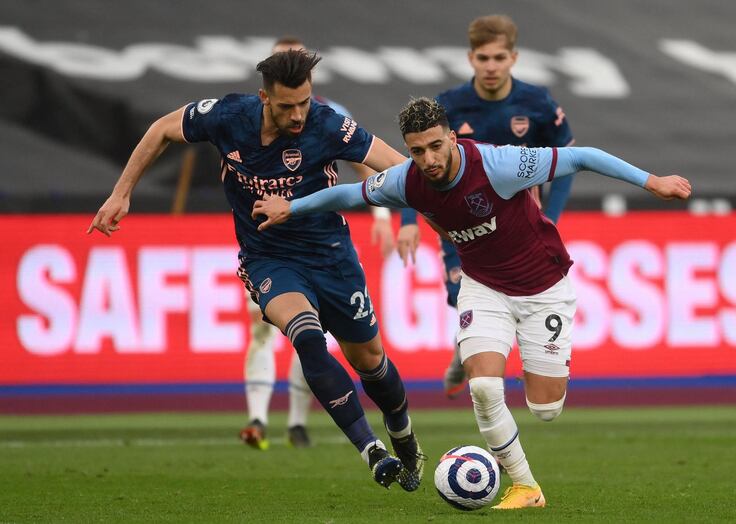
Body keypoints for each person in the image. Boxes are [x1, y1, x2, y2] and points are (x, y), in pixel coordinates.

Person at [251, 97, 691, 509]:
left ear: (453, 138)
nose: (429, 160)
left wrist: (652, 181)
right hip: (484, 286)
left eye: (436, 147)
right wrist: (291, 206)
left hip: (544, 288)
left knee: (545, 409)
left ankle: (487, 351)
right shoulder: (407, 179)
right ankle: (525, 485)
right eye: (417, 150)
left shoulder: (500, 164)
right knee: (483, 388)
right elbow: (348, 195)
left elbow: (582, 156)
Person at [87, 50, 424, 492]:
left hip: (331, 256)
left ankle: (403, 436)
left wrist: (412, 218)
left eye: (304, 102)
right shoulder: (228, 116)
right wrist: (121, 193)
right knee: (305, 334)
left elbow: (400, 168)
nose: (299, 114)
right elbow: (162, 129)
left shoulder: (327, 123)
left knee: (371, 362)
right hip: (269, 258)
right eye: (287, 106)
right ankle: (371, 450)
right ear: (264, 98)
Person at [396, 15, 576, 398]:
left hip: (519, 227)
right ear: (470, 58)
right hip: (461, 227)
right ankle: (469, 351)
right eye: (483, 58)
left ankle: (476, 353)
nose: (490, 67)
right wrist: (408, 220)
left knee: (516, 294)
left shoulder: (538, 104)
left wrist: (551, 220)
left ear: (513, 57)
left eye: (498, 58)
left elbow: (567, 163)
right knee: (460, 294)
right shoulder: (448, 107)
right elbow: (414, 171)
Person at [238, 36, 395, 451]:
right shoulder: (242, 119)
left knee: (309, 335)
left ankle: (295, 421)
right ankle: (256, 416)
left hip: (320, 245)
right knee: (270, 328)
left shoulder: (330, 117)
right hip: (266, 246)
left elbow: (365, 160)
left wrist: (381, 214)